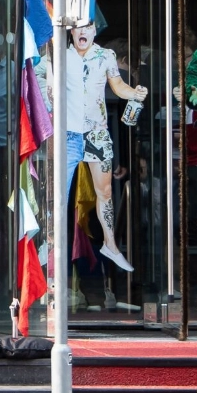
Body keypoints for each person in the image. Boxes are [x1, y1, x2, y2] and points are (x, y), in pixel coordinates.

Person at [37, 23, 146, 273]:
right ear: (71, 32)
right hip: (68, 133)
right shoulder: (58, 55)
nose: (82, 32)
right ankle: (50, 243)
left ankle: (110, 245)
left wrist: (134, 93)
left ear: (95, 31)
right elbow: (34, 72)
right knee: (58, 194)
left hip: (97, 133)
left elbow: (117, 86)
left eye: (87, 27)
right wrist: (46, 97)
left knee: (105, 191)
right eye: (78, 28)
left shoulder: (105, 56)